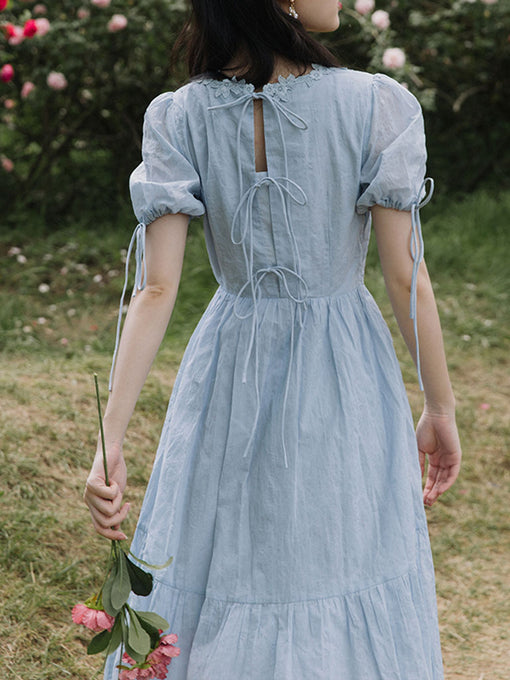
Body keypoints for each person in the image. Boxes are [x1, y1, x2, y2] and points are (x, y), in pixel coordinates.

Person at [84, 0, 462, 678]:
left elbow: (156, 290)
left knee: (227, 549)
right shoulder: (375, 105)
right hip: (342, 366)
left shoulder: (178, 115)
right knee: (336, 549)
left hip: (228, 361)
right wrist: (440, 408)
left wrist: (109, 442)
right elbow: (406, 277)